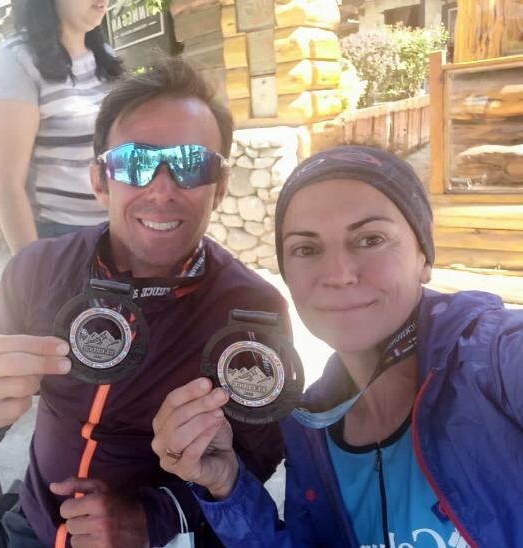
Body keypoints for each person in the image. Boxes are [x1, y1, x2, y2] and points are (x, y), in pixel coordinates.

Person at [0, 57, 292, 547]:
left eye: (191, 164)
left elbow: (259, 455)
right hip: (34, 527)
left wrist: (154, 516)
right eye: (135, 162)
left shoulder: (252, 308)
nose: (162, 190)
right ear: (100, 181)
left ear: (218, 189)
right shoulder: (38, 270)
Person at [152, 145, 523, 547]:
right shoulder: (311, 426)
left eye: (370, 239)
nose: (338, 274)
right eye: (306, 249)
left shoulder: (493, 360)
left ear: (424, 253)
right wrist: (226, 483)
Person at [0, 0, 122, 252]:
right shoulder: (17, 60)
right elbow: (4, 182)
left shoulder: (104, 55)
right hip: (64, 239)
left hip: (122, 228)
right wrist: (33, 266)